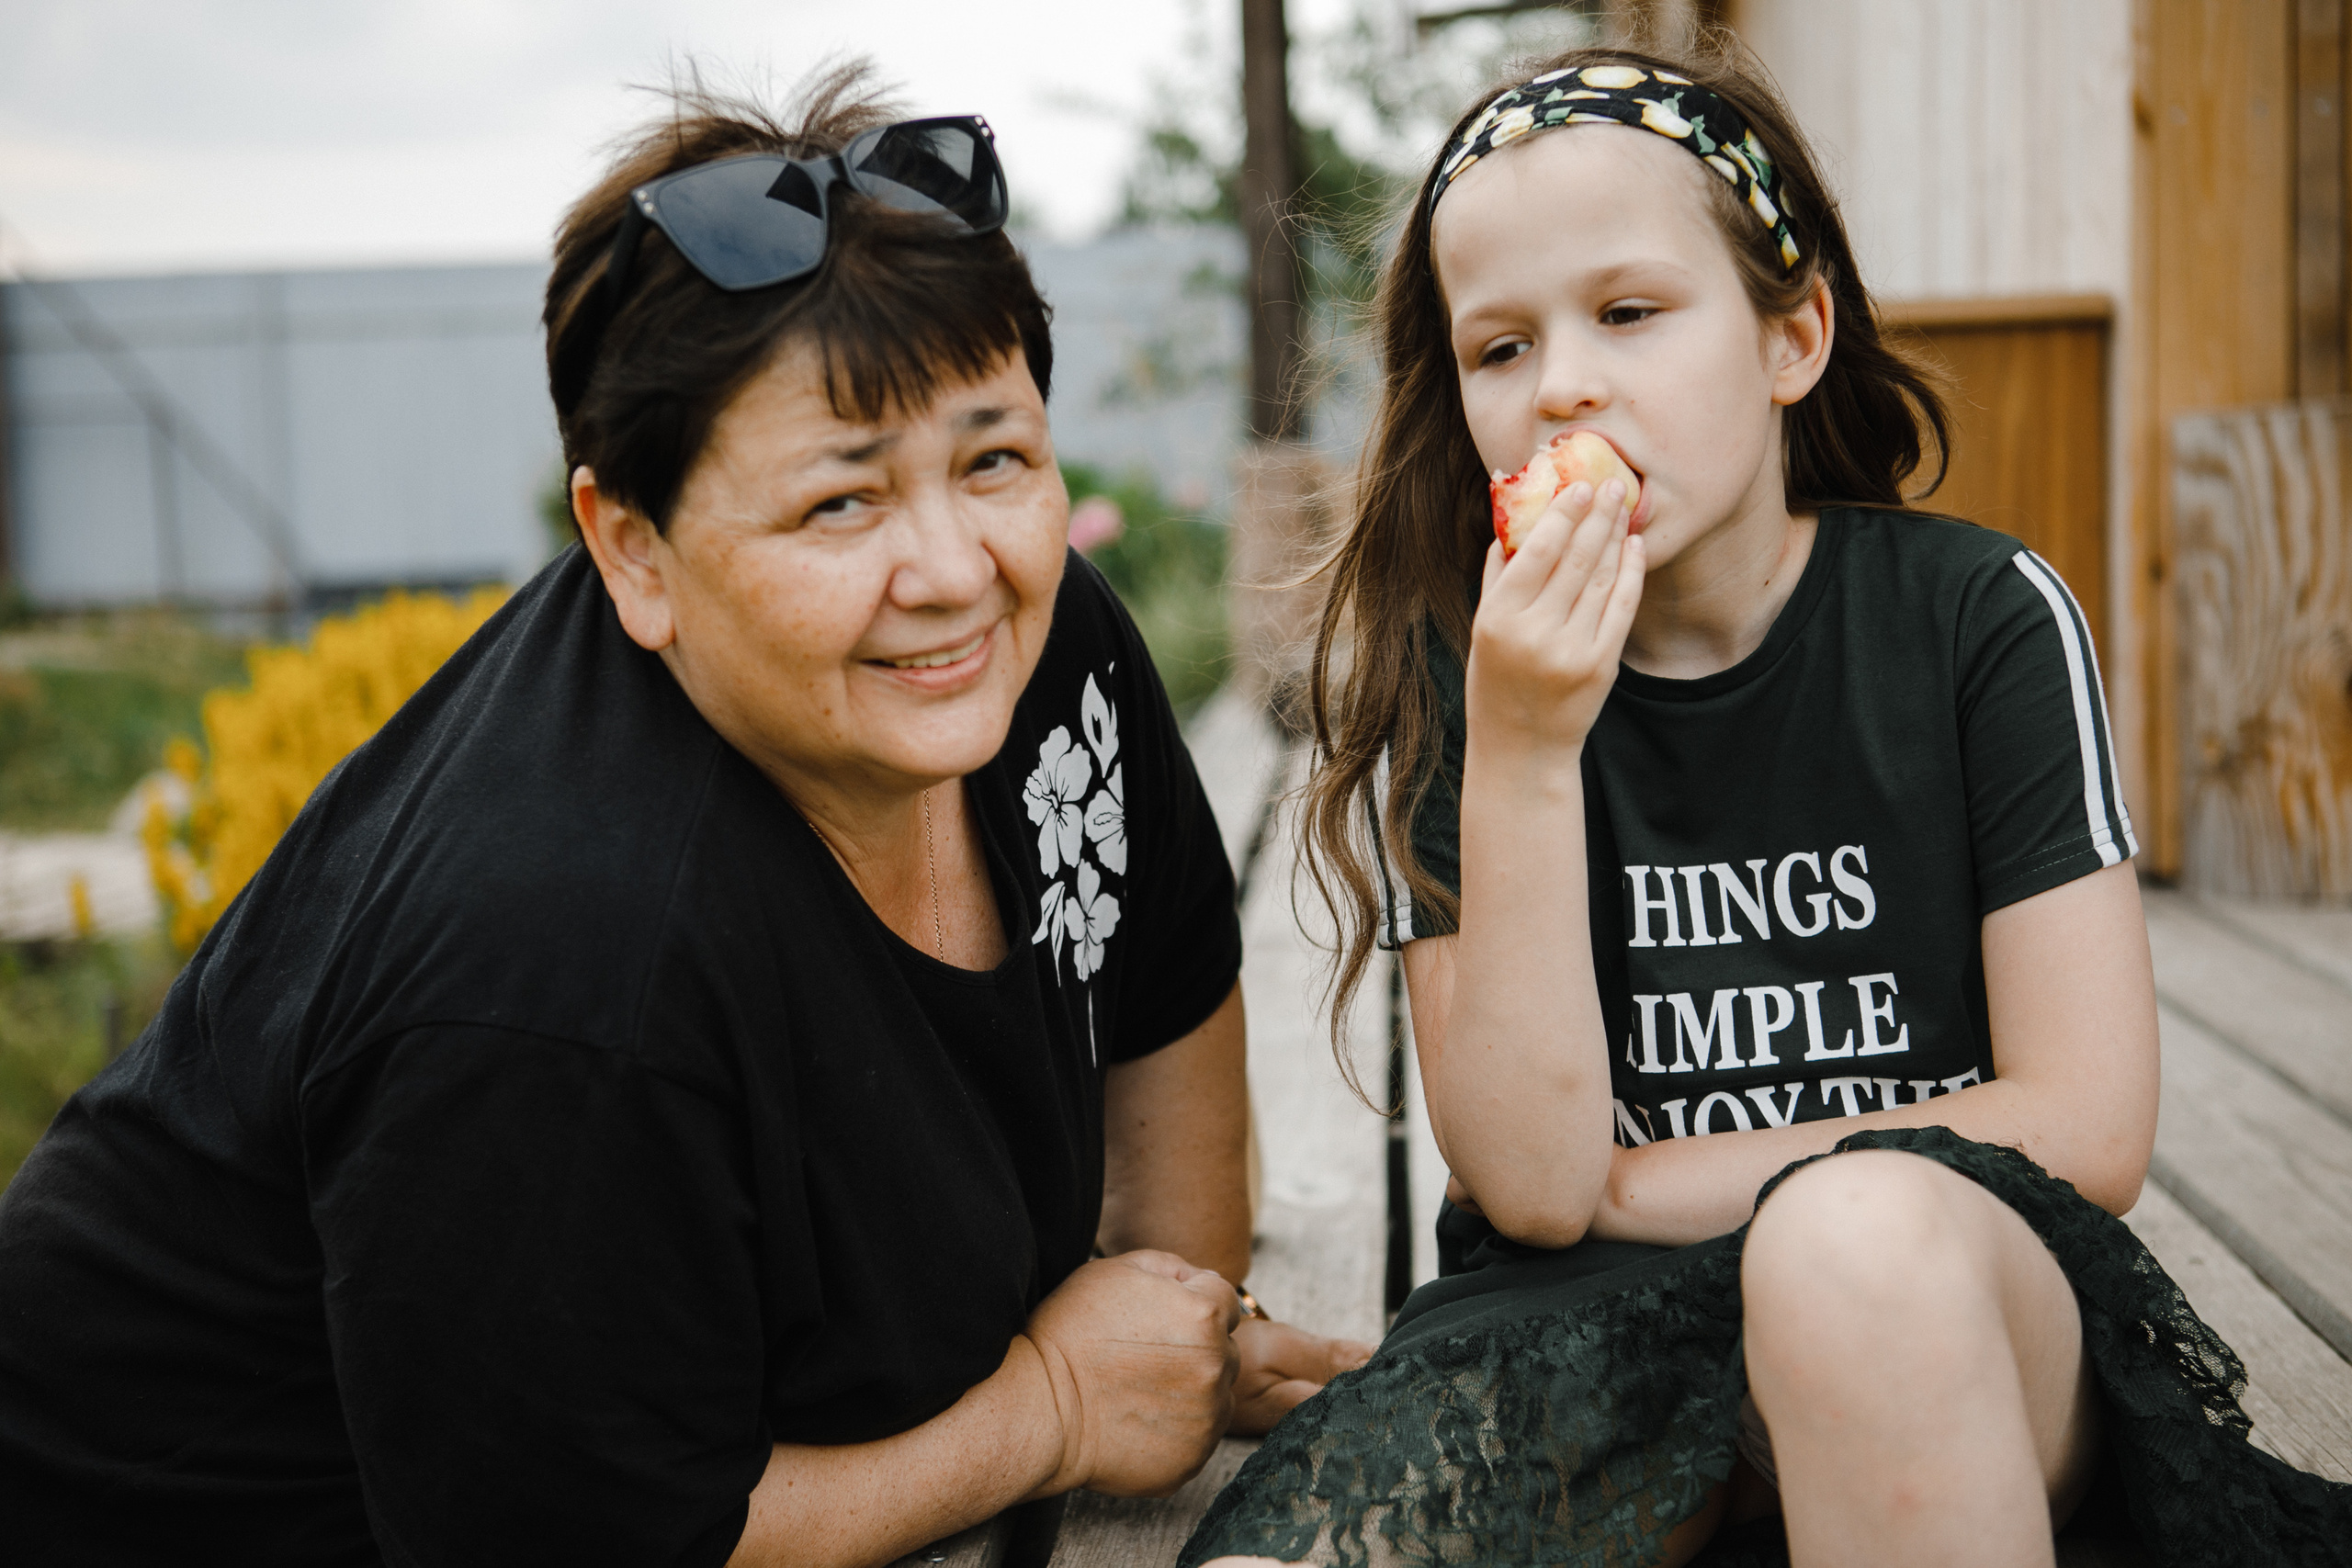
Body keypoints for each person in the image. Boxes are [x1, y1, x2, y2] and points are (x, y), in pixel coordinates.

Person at [0, 70, 1370, 1567]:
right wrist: (1047, 1410)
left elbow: (1166, 1031)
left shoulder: (1042, 662)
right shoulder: (560, 963)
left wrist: (1168, 1333)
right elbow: (586, 1544)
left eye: (994, 460)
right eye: (841, 503)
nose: (953, 570)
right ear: (632, 552)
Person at [1181, 38, 2352, 1568]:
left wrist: (1642, 1180)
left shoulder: (1979, 620)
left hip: (1934, 1285)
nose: (1564, 386)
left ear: (1792, 336)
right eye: (1501, 347)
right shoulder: (1462, 673)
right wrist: (1528, 747)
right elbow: (1534, 1189)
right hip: (1576, 1326)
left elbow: (2084, 1124)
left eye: (1628, 313)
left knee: (1844, 1243)